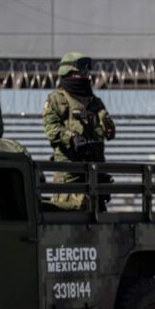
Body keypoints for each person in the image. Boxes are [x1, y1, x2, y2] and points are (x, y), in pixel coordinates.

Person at [42, 52, 116, 210]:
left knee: (97, 219)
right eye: (82, 72)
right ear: (68, 73)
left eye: (88, 72)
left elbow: (108, 130)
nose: (87, 76)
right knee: (66, 216)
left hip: (95, 173)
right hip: (70, 174)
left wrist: (108, 128)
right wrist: (71, 138)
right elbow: (51, 130)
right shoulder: (57, 100)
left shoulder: (95, 102)